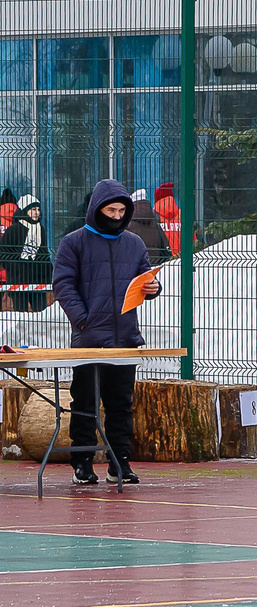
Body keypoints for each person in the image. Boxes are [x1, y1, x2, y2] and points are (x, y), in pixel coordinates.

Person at [48, 178, 158, 487]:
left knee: (121, 404)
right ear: (97, 209)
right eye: (111, 210)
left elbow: (144, 278)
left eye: (122, 210)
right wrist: (83, 321)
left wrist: (153, 288)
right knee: (84, 403)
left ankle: (119, 462)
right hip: (89, 340)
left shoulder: (134, 243)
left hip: (124, 340)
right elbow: (63, 285)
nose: (117, 216)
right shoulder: (74, 242)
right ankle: (82, 463)